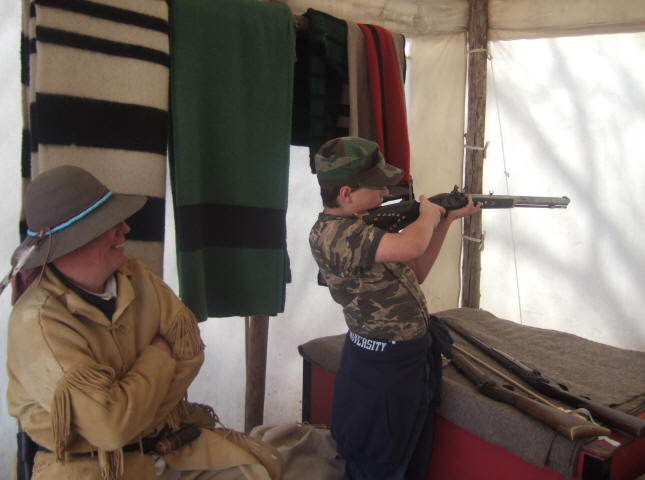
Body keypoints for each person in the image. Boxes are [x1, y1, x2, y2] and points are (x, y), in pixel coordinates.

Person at [5, 165, 283, 480]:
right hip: (89, 469)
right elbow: (110, 428)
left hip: (166, 446)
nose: (124, 228)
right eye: (108, 222)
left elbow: (190, 352)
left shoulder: (134, 276)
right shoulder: (37, 322)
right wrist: (158, 354)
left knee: (260, 469)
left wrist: (131, 411)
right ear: (73, 241)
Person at [308, 137, 480, 480]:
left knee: (408, 454)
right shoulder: (334, 235)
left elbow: (417, 269)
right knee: (380, 461)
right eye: (377, 187)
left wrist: (445, 220)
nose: (386, 193)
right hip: (382, 369)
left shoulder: (363, 229)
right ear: (346, 193)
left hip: (407, 363)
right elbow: (412, 244)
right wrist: (428, 214)